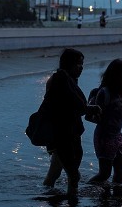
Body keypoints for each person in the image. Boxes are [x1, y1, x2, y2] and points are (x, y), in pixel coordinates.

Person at [42, 48, 100, 198]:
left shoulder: (67, 79)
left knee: (55, 173)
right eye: (78, 64)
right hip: (63, 134)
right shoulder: (61, 80)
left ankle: (51, 204)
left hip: (68, 133)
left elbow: (75, 105)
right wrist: (90, 108)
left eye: (82, 64)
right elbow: (75, 105)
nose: (81, 67)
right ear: (69, 64)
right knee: (74, 175)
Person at [88, 59, 122, 185]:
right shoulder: (104, 92)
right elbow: (96, 116)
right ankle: (85, 189)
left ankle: (116, 202)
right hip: (104, 137)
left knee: (119, 174)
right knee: (104, 174)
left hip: (117, 136)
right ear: (116, 75)